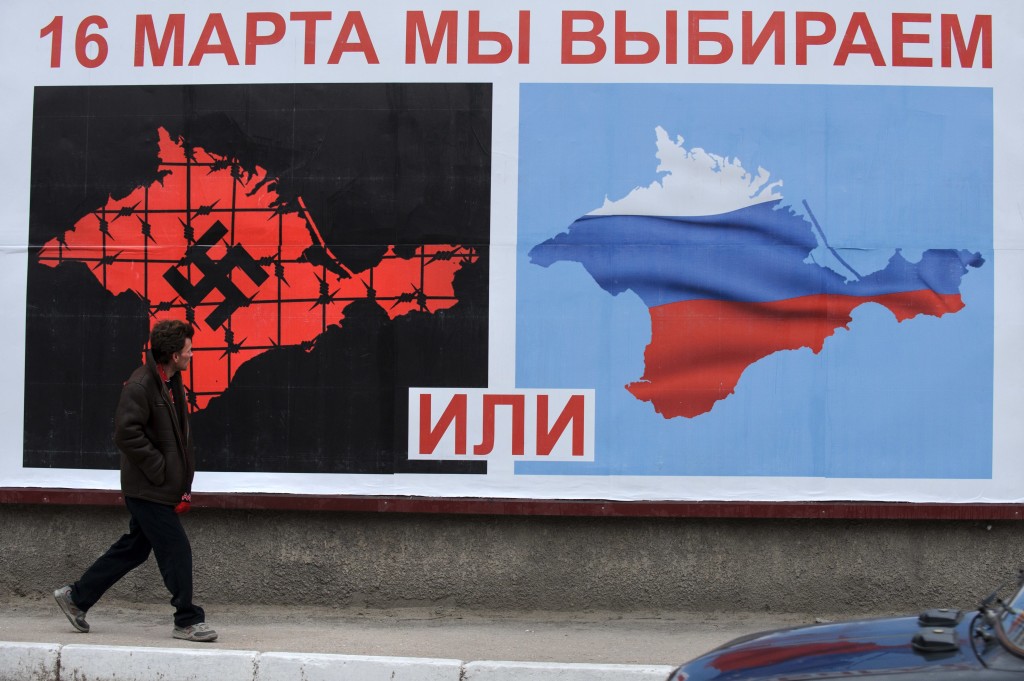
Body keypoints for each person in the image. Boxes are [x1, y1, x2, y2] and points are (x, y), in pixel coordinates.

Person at [54, 319, 216, 642]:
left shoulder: (169, 381)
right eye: (188, 350)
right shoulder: (142, 385)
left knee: (133, 549)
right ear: (173, 355)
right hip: (147, 488)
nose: (192, 355)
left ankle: (76, 598)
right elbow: (126, 433)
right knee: (177, 550)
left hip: (156, 486)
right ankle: (186, 619)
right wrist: (160, 469)